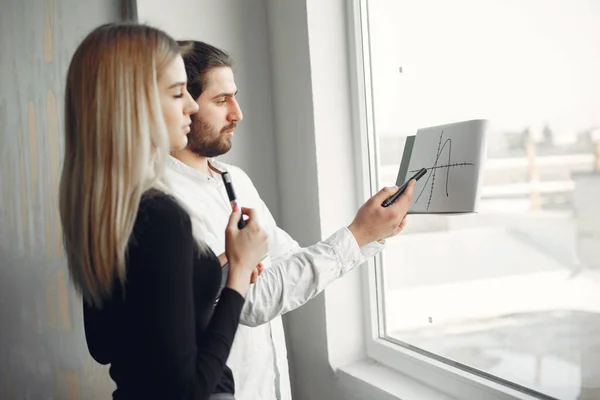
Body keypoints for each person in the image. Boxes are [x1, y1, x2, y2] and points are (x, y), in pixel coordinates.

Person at [167, 40, 415, 400]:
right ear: (183, 104)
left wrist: (370, 233)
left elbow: (289, 262)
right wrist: (358, 234)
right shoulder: (164, 203)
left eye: (234, 97)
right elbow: (252, 302)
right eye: (221, 101)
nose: (237, 113)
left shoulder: (234, 178)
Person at [59, 23, 268, 399]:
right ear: (134, 106)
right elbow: (188, 390)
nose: (190, 104)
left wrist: (211, 266)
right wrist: (238, 273)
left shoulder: (103, 210)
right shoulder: (160, 216)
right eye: (177, 93)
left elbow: (105, 344)